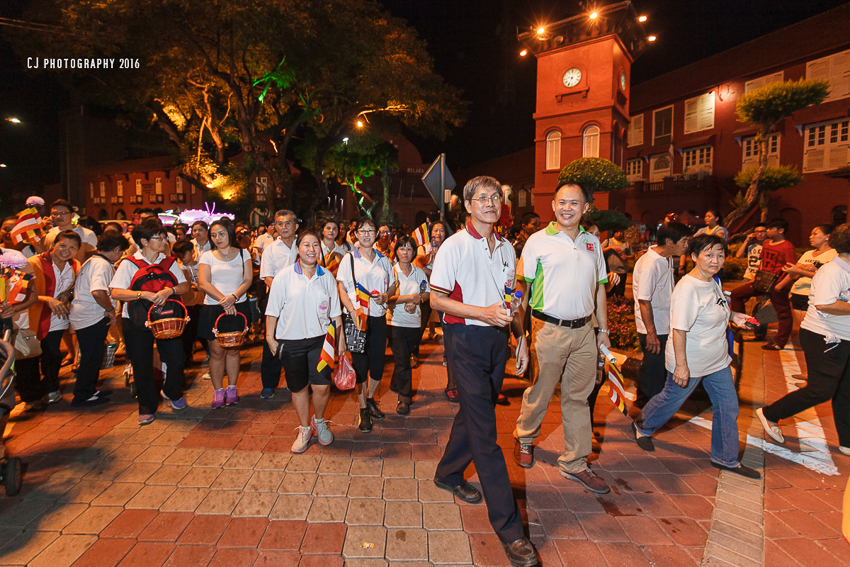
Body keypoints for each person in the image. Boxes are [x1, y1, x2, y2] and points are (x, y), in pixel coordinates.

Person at [429, 176, 537, 567]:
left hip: (497, 342)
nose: (490, 203)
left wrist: (521, 338)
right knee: (487, 434)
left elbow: (515, 297)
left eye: (496, 197)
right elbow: (436, 300)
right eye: (482, 198)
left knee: (473, 415)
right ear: (469, 205)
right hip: (465, 342)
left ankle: (448, 473)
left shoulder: (508, 248)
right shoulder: (453, 246)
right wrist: (482, 313)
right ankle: (510, 531)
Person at [631, 234, 760, 479]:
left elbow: (716, 308)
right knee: (671, 399)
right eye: (709, 255)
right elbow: (678, 330)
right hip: (690, 361)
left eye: (720, 255)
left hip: (717, 360)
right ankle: (642, 426)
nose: (716, 260)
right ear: (693, 257)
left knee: (728, 407)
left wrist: (734, 317)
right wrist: (681, 366)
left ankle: (725, 458)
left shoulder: (712, 281)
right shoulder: (687, 289)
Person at [512, 182, 611, 495]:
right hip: (548, 329)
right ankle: (525, 438)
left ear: (584, 208)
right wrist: (520, 335)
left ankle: (576, 462)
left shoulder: (593, 243)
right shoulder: (537, 242)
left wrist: (603, 332)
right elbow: (522, 290)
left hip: (584, 331)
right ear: (553, 206)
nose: (568, 208)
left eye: (574, 203)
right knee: (541, 390)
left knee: (578, 397)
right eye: (562, 202)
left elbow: (599, 290)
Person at [756, 224, 850, 456]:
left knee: (846, 389)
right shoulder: (834, 271)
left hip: (843, 337)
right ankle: (770, 414)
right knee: (822, 390)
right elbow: (825, 303)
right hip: (825, 337)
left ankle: (847, 440)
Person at [266, 230, 345, 452]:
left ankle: (319, 422)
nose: (311, 249)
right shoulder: (284, 276)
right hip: (291, 341)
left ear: (321, 249)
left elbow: (336, 313)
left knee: (322, 387)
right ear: (298, 249)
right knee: (299, 387)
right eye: (306, 245)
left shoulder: (327, 276)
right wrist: (269, 338)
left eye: (315, 245)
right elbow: (272, 310)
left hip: (321, 341)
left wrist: (341, 342)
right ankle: (304, 428)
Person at [110, 220, 190, 426]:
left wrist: (169, 290)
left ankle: (172, 390)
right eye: (158, 237)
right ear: (143, 241)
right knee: (141, 363)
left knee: (175, 358)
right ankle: (146, 406)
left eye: (164, 237)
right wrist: (142, 294)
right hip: (136, 320)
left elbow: (184, 286)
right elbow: (116, 291)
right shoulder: (129, 263)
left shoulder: (170, 262)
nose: (164, 241)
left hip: (168, 318)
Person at [337, 217, 397, 432]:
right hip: (357, 318)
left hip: (379, 317)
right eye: (362, 230)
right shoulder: (349, 259)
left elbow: (393, 285)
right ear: (356, 234)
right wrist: (351, 311)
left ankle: (370, 398)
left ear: (376, 235)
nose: (367, 234)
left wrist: (386, 296)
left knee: (379, 366)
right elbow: (342, 288)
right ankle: (363, 408)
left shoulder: (384, 260)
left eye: (371, 230)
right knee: (361, 367)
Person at [14, 231, 81, 406]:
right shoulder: (33, 263)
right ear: (53, 245)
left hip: (58, 318)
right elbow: (22, 291)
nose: (67, 250)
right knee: (30, 357)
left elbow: (77, 287)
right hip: (33, 316)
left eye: (72, 247)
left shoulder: (75, 265)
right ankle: (31, 394)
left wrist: (68, 293)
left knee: (52, 354)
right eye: (63, 245)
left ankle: (51, 388)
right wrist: (46, 298)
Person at [631, 222, 691, 408]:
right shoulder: (650, 264)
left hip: (664, 324)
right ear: (668, 240)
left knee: (657, 371)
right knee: (653, 372)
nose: (686, 246)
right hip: (654, 326)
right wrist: (651, 333)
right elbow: (643, 300)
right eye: (684, 241)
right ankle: (645, 412)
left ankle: (648, 409)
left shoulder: (665, 258)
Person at [197, 218, 254, 409]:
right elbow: (203, 283)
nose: (217, 238)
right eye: (213, 235)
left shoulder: (243, 253)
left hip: (238, 305)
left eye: (221, 233)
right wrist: (224, 300)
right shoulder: (207, 256)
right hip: (214, 307)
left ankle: (231, 388)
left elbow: (247, 280)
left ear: (230, 233)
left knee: (234, 349)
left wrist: (233, 297)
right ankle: (218, 391)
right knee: (216, 352)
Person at [69, 231, 129, 406]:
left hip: (86, 315)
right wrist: (110, 309)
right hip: (91, 316)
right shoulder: (102, 265)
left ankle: (89, 390)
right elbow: (98, 291)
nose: (120, 256)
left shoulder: (93, 261)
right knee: (91, 357)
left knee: (92, 355)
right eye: (121, 252)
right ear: (116, 249)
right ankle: (83, 394)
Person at [730, 218, 796, 350]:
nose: (768, 232)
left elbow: (792, 270)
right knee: (736, 294)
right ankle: (742, 323)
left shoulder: (787, 246)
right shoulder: (766, 243)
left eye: (770, 229)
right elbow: (762, 262)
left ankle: (779, 341)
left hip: (777, 284)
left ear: (781, 231)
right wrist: (756, 277)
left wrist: (781, 285)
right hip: (762, 280)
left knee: (783, 313)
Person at [258, 210, 299, 399]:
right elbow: (267, 277)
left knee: (296, 341)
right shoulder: (271, 249)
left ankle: (295, 381)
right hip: (276, 300)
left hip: (301, 300)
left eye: (287, 223)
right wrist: (283, 294)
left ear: (296, 226)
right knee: (272, 341)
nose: (283, 227)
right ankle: (269, 383)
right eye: (280, 224)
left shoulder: (304, 244)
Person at [387, 236, 430, 415]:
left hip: (414, 323)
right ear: (396, 251)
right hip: (395, 322)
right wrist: (409, 298)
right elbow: (387, 299)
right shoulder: (391, 271)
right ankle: (404, 398)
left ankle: (395, 383)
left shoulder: (418, 272)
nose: (405, 252)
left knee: (403, 358)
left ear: (414, 252)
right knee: (404, 359)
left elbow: (426, 292)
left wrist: (418, 299)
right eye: (402, 248)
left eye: (409, 249)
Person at [785, 224, 836, 326]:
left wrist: (801, 270)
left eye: (815, 234)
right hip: (797, 292)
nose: (810, 237)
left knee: (808, 326)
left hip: (813, 294)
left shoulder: (833, 254)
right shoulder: (807, 254)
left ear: (827, 236)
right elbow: (794, 275)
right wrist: (803, 268)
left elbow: (825, 276)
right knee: (801, 326)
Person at [172, 239, 206, 368]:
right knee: (186, 335)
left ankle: (210, 355)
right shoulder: (177, 267)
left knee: (202, 332)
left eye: (184, 255)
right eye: (178, 256)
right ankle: (186, 358)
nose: (182, 258)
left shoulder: (201, 265)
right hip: (184, 305)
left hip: (200, 303)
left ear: (192, 252)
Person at [602, 229, 632, 296]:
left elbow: (631, 255)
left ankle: (619, 305)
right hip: (610, 271)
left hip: (622, 271)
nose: (619, 234)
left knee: (620, 293)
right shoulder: (608, 241)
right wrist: (610, 247)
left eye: (621, 232)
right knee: (609, 292)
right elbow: (601, 250)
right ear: (614, 233)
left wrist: (626, 256)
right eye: (617, 232)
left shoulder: (625, 243)